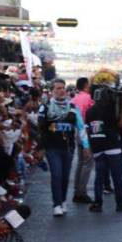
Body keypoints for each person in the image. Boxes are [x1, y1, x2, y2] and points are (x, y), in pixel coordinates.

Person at [37, 79, 86, 216]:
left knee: (65, 176)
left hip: (68, 147)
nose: (61, 90)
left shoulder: (72, 107)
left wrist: (86, 146)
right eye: (58, 88)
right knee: (57, 175)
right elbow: (40, 128)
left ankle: (63, 201)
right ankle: (56, 204)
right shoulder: (45, 107)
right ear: (52, 91)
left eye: (63, 88)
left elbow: (81, 127)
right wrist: (40, 148)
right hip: (52, 147)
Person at [86, 88, 122, 212]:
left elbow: (88, 128)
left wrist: (89, 146)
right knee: (117, 176)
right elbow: (120, 124)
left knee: (99, 176)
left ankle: (97, 203)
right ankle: (120, 203)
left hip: (97, 146)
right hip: (112, 146)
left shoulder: (90, 111)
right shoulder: (111, 109)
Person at [70, 77, 95, 203]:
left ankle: (77, 191)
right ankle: (81, 192)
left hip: (77, 132)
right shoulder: (88, 99)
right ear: (86, 85)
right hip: (85, 132)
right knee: (88, 162)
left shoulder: (74, 99)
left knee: (81, 162)